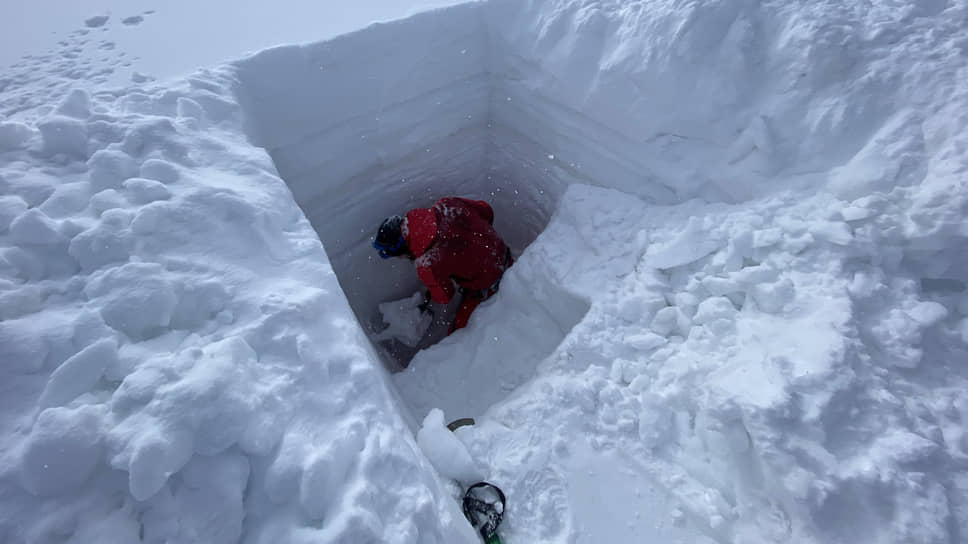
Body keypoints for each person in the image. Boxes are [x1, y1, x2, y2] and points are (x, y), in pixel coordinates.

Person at [372, 197, 513, 333]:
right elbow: (487, 211)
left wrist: (434, 285)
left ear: (403, 249)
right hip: (504, 253)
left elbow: (445, 296)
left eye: (398, 256)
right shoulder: (447, 204)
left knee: (459, 338)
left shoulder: (427, 263)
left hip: (489, 283)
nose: (401, 258)